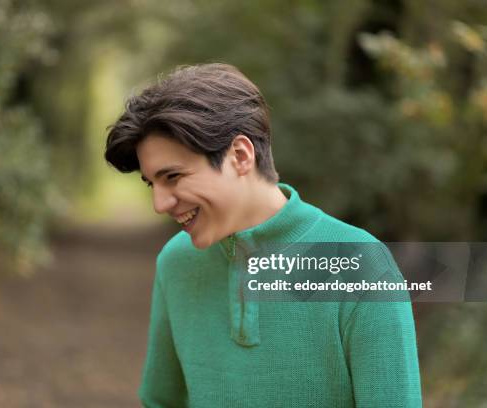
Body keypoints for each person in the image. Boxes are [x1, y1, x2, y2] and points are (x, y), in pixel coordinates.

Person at [104, 63, 422, 407]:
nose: (160, 203)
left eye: (174, 177)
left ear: (240, 156)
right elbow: (161, 401)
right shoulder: (176, 262)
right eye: (152, 183)